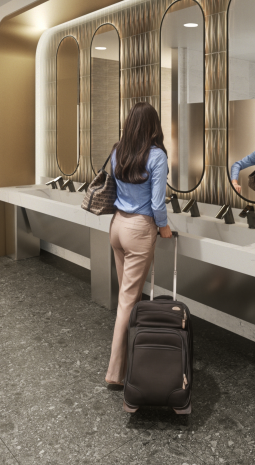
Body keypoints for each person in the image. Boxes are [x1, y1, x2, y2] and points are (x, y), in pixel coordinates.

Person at [105, 102, 173, 387]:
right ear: (154, 125)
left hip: (117, 226)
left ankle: (134, 355)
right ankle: (115, 374)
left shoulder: (118, 150)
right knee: (127, 302)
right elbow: (157, 203)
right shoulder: (156, 156)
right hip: (139, 230)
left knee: (126, 298)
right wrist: (165, 228)